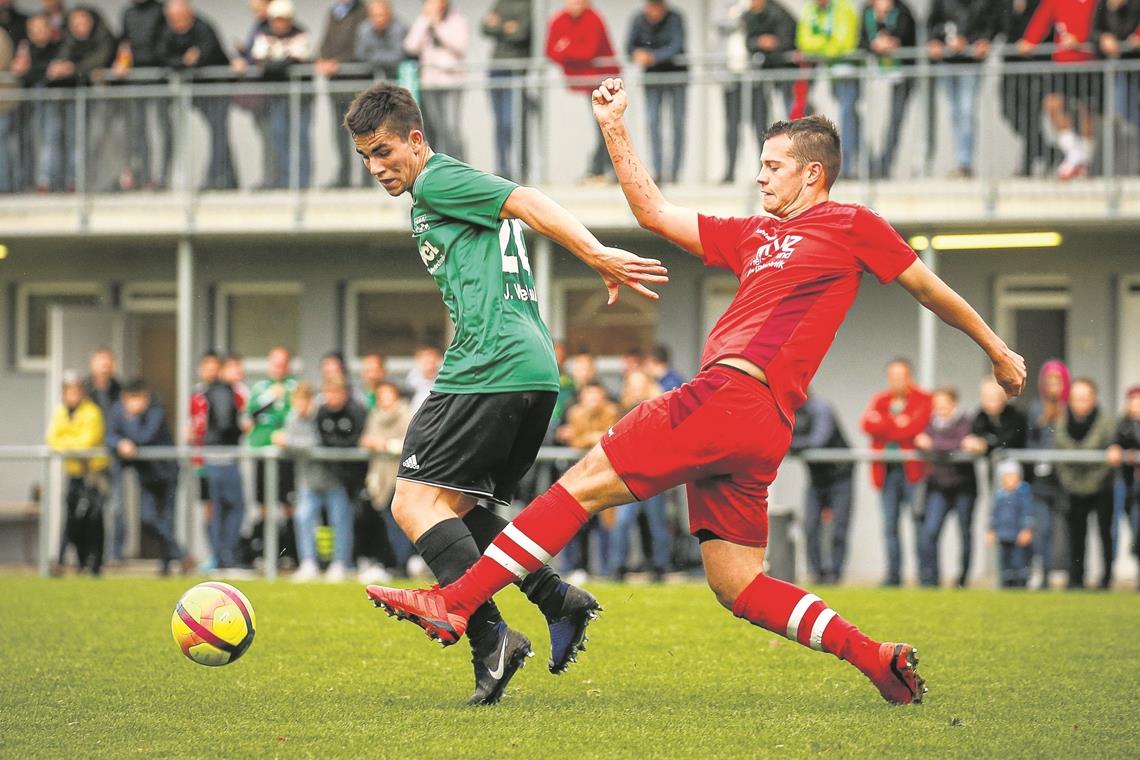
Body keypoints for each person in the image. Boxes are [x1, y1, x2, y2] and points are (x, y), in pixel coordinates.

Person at [367, 79, 1027, 707]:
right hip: (758, 425)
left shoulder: (852, 224)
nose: (760, 176)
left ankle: (458, 603)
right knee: (736, 583)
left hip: (730, 396)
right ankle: (874, 659)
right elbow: (652, 211)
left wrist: (996, 350)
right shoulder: (754, 235)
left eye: (772, 166)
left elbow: (926, 286)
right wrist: (614, 128)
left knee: (586, 479)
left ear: (812, 174)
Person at [343, 81, 667, 704]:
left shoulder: (437, 180)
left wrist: (597, 253)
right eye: (365, 156)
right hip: (531, 369)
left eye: (384, 151)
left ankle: (490, 638)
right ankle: (557, 598)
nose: (376, 167)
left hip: (486, 366)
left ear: (416, 139)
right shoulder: (439, 193)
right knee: (457, 509)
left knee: (412, 503)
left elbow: (527, 199)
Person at [106, 378, 189, 576]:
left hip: (166, 474)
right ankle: (179, 553)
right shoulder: (118, 410)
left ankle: (167, 565)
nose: (133, 404)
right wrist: (119, 443)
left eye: (138, 399)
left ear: (145, 397)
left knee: (167, 520)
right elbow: (109, 435)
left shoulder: (156, 411)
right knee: (148, 519)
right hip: (146, 476)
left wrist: (129, 428)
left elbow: (144, 437)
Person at [861, 358, 932, 587]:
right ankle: (893, 577)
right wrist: (897, 424)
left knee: (919, 523)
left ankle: (925, 577)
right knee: (890, 525)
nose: (896, 382)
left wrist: (886, 425)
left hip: (913, 473)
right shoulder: (880, 399)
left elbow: (915, 426)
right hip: (886, 473)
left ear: (910, 377)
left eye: (901, 377)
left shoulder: (923, 399)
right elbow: (866, 425)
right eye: (892, 377)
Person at [158, 0, 238, 191]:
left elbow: (206, 54)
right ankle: (229, 180)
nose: (177, 23)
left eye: (180, 18)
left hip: (216, 89)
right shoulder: (167, 32)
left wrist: (191, 61)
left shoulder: (204, 28)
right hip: (194, 91)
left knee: (219, 134)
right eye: (173, 19)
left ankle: (217, 178)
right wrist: (183, 61)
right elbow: (162, 55)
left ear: (189, 13)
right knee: (217, 135)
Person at [716, 0, 798, 185]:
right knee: (732, 126)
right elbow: (745, 38)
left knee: (761, 126)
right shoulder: (740, 13)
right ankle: (730, 171)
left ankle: (764, 170)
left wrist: (771, 44)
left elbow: (784, 38)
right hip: (735, 80)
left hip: (761, 78)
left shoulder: (776, 12)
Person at [1018, 0, 1101, 179]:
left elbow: (1101, 25)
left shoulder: (1096, 2)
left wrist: (1082, 40)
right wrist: (1030, 40)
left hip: (1089, 63)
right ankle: (1074, 154)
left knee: (1086, 112)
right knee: (1052, 104)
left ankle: (1083, 164)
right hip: (1063, 63)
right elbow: (1041, 20)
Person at [546, 0, 620, 183]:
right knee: (603, 127)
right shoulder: (559, 19)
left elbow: (589, 51)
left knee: (606, 126)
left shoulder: (593, 18)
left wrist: (565, 49)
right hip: (584, 82)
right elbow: (550, 51)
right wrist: (569, 51)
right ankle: (605, 170)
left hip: (603, 82)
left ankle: (601, 170)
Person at [609, 370, 671, 581]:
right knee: (623, 522)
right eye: (632, 385)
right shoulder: (621, 409)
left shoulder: (660, 408)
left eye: (639, 384)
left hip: (655, 476)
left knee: (656, 524)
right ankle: (618, 567)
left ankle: (660, 566)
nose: (635, 389)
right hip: (628, 476)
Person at [45, 7, 115, 191]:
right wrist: (60, 68)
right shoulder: (67, 41)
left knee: (89, 141)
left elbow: (99, 60)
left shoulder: (103, 38)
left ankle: (80, 181)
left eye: (83, 22)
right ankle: (61, 181)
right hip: (67, 97)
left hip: (95, 99)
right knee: (62, 139)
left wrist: (73, 69)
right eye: (75, 23)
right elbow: (59, 62)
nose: (79, 26)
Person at [1055, 378, 1116, 589]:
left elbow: (1113, 451)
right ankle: (1076, 578)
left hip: (1102, 487)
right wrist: (1072, 480)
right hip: (1072, 487)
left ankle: (1106, 578)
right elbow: (1060, 457)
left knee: (1105, 533)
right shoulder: (1061, 424)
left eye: (1084, 398)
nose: (1080, 402)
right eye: (1076, 398)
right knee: (1076, 535)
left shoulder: (1107, 424)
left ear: (1094, 399)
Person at [46, 373, 109, 576]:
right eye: (69, 392)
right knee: (73, 521)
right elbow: (52, 439)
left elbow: (87, 442)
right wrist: (71, 444)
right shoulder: (61, 413)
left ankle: (95, 564)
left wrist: (67, 444)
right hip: (74, 473)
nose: (72, 396)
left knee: (93, 519)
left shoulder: (92, 412)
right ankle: (78, 562)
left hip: (93, 473)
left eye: (76, 391)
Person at [789, 389, 854, 584]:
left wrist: (789, 443)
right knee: (810, 526)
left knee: (839, 527)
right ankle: (817, 573)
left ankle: (834, 574)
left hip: (840, 475)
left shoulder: (821, 408)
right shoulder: (790, 411)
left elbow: (818, 441)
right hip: (816, 479)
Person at [914, 386, 976, 588]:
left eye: (944, 405)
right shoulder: (931, 423)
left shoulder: (966, 422)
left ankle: (962, 580)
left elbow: (959, 443)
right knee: (930, 532)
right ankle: (931, 579)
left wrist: (933, 444)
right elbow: (952, 444)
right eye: (937, 405)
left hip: (963, 486)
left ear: (953, 404)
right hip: (938, 485)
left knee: (964, 533)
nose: (939, 409)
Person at [927, 0, 997, 179]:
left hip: (970, 61)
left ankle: (965, 163)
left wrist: (975, 41)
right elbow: (932, 22)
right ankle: (961, 161)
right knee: (955, 111)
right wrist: (935, 41)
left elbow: (991, 22)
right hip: (947, 60)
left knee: (966, 110)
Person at [797, 0, 862, 179]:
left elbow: (845, 42)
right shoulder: (810, 9)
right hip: (825, 71)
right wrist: (827, 45)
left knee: (848, 115)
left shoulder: (844, 8)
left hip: (844, 71)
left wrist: (820, 48)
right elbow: (804, 41)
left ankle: (849, 165)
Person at [251, 0, 312, 189]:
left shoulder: (301, 33)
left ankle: (302, 182)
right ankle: (286, 181)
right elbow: (260, 59)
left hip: (301, 97)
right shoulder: (264, 35)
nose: (279, 24)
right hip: (277, 98)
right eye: (276, 20)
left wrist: (275, 63)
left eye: (283, 20)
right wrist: (280, 63)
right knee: (279, 137)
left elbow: (296, 59)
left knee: (300, 138)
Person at [627, 0, 688, 185]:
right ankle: (658, 170)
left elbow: (676, 46)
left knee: (677, 123)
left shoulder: (675, 18)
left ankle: (675, 172)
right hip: (652, 78)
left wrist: (652, 57)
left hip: (676, 76)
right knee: (653, 123)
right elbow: (629, 47)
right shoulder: (639, 20)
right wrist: (638, 54)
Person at [113, 0, 171, 192]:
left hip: (159, 76)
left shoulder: (161, 10)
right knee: (139, 130)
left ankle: (163, 176)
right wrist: (120, 62)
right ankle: (144, 176)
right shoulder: (128, 13)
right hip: (136, 77)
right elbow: (123, 43)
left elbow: (166, 42)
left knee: (162, 128)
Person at [360, 380, 412, 581]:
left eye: (388, 394)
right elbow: (365, 439)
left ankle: (402, 563)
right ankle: (391, 563)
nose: (384, 399)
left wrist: (385, 444)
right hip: (379, 477)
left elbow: (408, 443)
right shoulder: (375, 415)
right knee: (384, 522)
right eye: (381, 395)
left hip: (400, 477)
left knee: (398, 523)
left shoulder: (406, 414)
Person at [1025, 359, 1071, 588]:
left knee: (1064, 528)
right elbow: (1030, 440)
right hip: (1042, 478)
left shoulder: (1070, 408)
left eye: (1058, 381)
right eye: (1049, 381)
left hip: (1066, 478)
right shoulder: (1036, 408)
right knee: (1042, 527)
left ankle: (1069, 574)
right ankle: (1041, 573)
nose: (1053, 386)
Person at [859, 0, 917, 179]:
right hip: (874, 77)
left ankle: (885, 165)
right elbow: (861, 41)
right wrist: (873, 45)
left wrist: (891, 39)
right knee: (871, 122)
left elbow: (908, 36)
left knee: (893, 122)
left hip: (899, 76)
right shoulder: (867, 11)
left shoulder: (903, 10)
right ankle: (870, 165)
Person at [404, 0, 468, 161]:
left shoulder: (457, 21)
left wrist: (437, 25)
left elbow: (460, 47)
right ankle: (440, 168)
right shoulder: (423, 21)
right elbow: (410, 46)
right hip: (430, 83)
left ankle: (460, 166)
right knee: (435, 128)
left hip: (451, 81)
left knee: (451, 128)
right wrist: (424, 20)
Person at [315, 0, 367, 188]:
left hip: (355, 83)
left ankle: (366, 179)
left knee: (362, 132)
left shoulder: (363, 12)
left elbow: (360, 47)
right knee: (339, 132)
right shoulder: (333, 14)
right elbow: (325, 42)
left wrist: (338, 63)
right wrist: (322, 60)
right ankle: (343, 178)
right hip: (335, 84)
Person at [203, 352, 247, 571]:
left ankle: (220, 556)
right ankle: (225, 556)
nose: (240, 372)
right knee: (233, 508)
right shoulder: (222, 390)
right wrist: (241, 427)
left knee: (220, 508)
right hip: (222, 458)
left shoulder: (218, 390)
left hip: (215, 457)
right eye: (235, 368)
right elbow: (224, 423)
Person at [1000, 0, 1054, 177]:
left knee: (1031, 117)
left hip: (1034, 67)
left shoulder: (1040, 3)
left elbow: (1049, 29)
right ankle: (1049, 152)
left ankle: (1027, 166)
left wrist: (1032, 43)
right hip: (1010, 67)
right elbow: (997, 26)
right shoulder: (1006, 5)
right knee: (1009, 112)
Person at [481, 0, 532, 181]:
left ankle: (520, 172)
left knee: (512, 123)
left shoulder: (529, 5)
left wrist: (498, 24)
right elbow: (484, 27)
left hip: (515, 69)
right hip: (496, 68)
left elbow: (521, 33)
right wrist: (507, 26)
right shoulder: (501, 3)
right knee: (499, 124)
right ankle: (503, 170)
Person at [231, 0, 276, 189]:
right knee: (266, 138)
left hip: (269, 95)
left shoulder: (271, 27)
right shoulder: (258, 26)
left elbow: (262, 56)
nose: (256, 12)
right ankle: (269, 177)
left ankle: (273, 179)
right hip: (260, 97)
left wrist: (247, 63)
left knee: (271, 139)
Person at [1094, 0, 1140, 161]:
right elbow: (1094, 33)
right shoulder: (1102, 6)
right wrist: (1103, 38)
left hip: (1133, 69)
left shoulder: (1133, 6)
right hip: (1120, 72)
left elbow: (1127, 33)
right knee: (1126, 116)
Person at [1106, 385, 1140, 585]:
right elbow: (1115, 442)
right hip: (1129, 487)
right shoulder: (1123, 424)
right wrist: (1115, 448)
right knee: (1127, 527)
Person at [987, 459, 1035, 588]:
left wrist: (1026, 529)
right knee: (1005, 561)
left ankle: (1021, 583)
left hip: (1017, 535)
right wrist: (991, 530)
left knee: (1019, 561)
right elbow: (994, 514)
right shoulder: (1000, 495)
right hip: (1004, 535)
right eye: (1007, 476)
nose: (1011, 479)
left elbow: (1027, 513)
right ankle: (1007, 583)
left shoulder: (1023, 494)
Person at [355, 0, 406, 81]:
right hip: (369, 75)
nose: (378, 19)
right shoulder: (364, 29)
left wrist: (374, 56)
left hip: (395, 76)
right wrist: (383, 57)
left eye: (381, 15)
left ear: (389, 14)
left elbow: (398, 56)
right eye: (374, 16)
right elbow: (360, 54)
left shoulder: (399, 28)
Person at [404, 344, 441, 412]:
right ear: (418, 360)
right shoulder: (409, 384)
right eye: (426, 360)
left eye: (432, 360)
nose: (430, 362)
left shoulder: (444, 381)